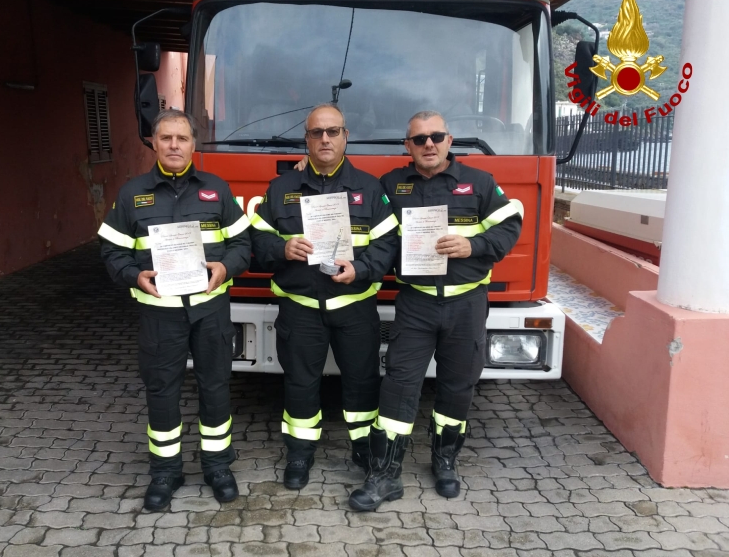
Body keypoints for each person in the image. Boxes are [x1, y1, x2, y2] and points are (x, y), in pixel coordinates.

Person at [348, 110, 523, 511]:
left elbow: (509, 226)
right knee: (398, 385)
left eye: (436, 137)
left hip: (466, 303)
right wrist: (308, 166)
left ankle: (445, 461)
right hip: (416, 303)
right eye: (419, 139)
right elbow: (354, 198)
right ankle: (385, 475)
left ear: (449, 141)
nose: (429, 144)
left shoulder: (480, 182)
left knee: (458, 385)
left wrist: (473, 245)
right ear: (407, 146)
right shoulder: (390, 185)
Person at [98, 110, 251, 510]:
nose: (174, 145)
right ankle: (166, 471)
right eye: (166, 138)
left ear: (193, 144)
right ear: (153, 143)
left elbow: (243, 245)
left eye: (182, 138)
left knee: (215, 385)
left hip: (210, 311)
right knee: (161, 390)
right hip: (160, 314)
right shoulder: (132, 194)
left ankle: (218, 466)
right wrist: (134, 276)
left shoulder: (217, 190)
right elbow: (112, 251)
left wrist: (226, 267)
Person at [250, 104, 399, 489]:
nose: (325, 139)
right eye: (317, 133)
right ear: (307, 140)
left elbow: (387, 244)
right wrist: (282, 249)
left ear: (345, 136)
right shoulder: (281, 189)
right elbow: (257, 241)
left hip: (354, 308)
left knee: (363, 382)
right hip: (300, 310)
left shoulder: (370, 188)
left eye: (333, 131)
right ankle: (300, 454)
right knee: (300, 384)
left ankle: (364, 452)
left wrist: (361, 269)